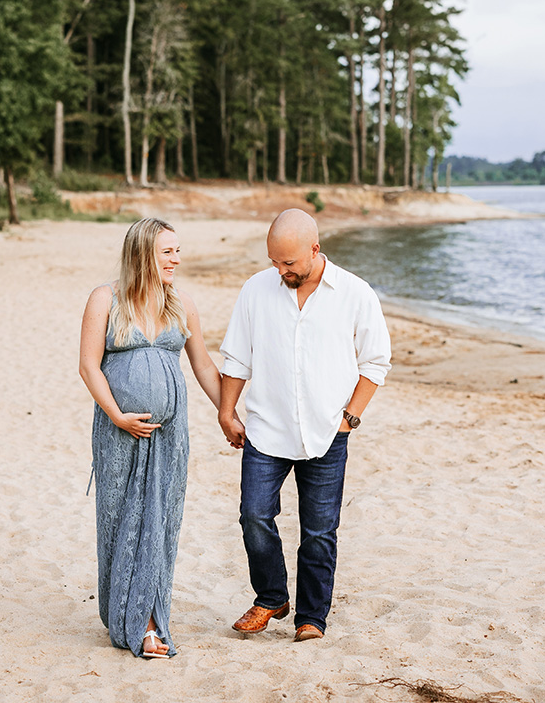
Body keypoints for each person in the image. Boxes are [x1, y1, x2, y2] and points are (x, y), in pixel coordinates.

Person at [218, 208, 391, 642]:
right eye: (275, 261)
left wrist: (350, 417)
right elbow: (237, 357)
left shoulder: (354, 293)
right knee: (254, 516)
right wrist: (226, 410)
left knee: (318, 531)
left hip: (328, 432)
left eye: (289, 263)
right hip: (266, 429)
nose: (281, 270)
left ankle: (312, 618)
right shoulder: (256, 289)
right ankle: (271, 597)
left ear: (315, 249)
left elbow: (376, 361)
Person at [79, 217, 222, 659]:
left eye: (178, 251)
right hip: (118, 432)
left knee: (160, 523)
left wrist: (228, 412)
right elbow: (88, 366)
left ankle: (149, 619)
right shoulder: (105, 299)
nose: (177, 259)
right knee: (120, 522)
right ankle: (124, 614)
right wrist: (118, 416)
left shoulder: (182, 303)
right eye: (168, 252)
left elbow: (202, 366)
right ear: (143, 254)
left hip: (169, 438)